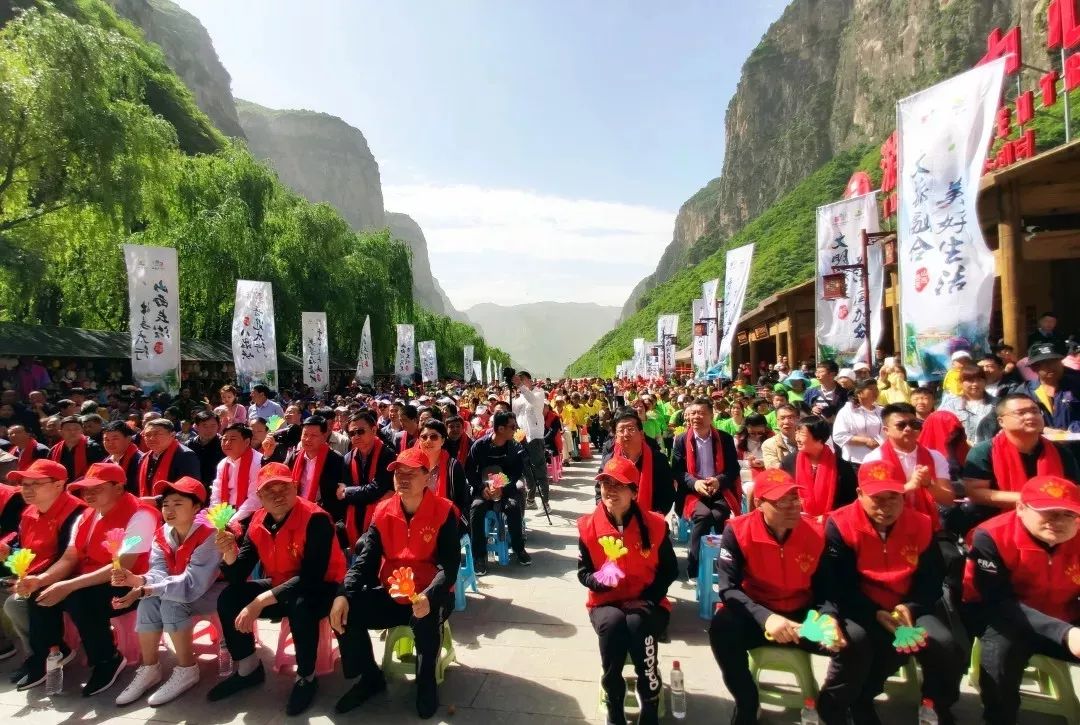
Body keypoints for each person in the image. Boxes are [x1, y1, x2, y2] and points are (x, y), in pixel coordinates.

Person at [819, 461, 963, 724]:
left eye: (893, 497)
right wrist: (875, 613)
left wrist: (911, 607)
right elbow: (839, 585)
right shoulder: (840, 524)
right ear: (860, 494)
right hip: (861, 605)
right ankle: (855, 700)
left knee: (943, 643)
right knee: (863, 641)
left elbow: (931, 579)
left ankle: (936, 704)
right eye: (877, 498)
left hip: (907, 606)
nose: (885, 506)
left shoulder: (920, 523)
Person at [710, 469, 850, 725]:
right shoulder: (738, 532)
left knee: (855, 639)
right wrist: (767, 618)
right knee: (722, 627)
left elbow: (828, 589)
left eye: (795, 499)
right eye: (781, 502)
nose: (791, 507)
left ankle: (833, 706)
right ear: (759, 504)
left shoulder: (816, 533)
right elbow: (728, 589)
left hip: (804, 620)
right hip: (758, 616)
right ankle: (747, 703)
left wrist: (829, 618)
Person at [330, 446, 459, 719]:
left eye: (411, 473)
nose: (403, 478)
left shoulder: (444, 511)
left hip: (428, 595)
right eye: (398, 472)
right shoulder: (383, 510)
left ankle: (425, 681)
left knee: (425, 620)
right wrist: (344, 593)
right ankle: (369, 677)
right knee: (347, 610)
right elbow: (366, 560)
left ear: (428, 476)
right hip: (392, 592)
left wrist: (428, 595)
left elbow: (449, 567)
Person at [208, 462, 346, 715]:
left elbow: (311, 577)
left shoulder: (316, 519)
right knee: (230, 597)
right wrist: (229, 553)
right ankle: (248, 668)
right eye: (269, 491)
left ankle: (306, 676)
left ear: (295, 487)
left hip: (323, 588)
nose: (277, 495)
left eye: (283, 487)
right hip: (281, 584)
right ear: (259, 497)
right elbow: (238, 575)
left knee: (300, 606)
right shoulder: (258, 521)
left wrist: (260, 601)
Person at [21, 462, 157, 695]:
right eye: (85, 489)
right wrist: (42, 579)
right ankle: (51, 652)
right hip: (89, 578)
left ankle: (107, 659)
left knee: (80, 598)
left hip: (130, 583)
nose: (88, 494)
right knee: (38, 592)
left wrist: (68, 585)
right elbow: (69, 558)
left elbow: (123, 565)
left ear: (118, 487)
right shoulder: (85, 515)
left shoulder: (141, 516)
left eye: (97, 488)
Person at [962, 475, 1080, 725]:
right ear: (1021, 508)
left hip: (1065, 612)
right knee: (1000, 658)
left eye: (1066, 514)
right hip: (1007, 618)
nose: (1057, 522)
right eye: (1047, 512)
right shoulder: (991, 536)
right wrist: (1065, 633)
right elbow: (996, 601)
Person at [578, 457, 677, 725]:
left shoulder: (655, 525)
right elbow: (583, 573)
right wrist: (602, 580)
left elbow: (670, 571)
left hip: (648, 601)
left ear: (634, 492)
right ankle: (614, 702)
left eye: (618, 485)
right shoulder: (588, 527)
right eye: (605, 483)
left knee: (637, 624)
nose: (609, 490)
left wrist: (648, 599)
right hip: (605, 603)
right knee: (612, 625)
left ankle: (650, 702)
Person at [111, 476, 224, 706]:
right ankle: (149, 668)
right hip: (179, 587)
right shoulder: (162, 534)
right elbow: (159, 572)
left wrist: (146, 589)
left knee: (171, 603)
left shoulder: (210, 534)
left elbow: (194, 583)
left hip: (215, 591)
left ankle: (187, 668)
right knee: (148, 602)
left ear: (196, 507)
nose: (169, 510)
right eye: (166, 504)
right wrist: (137, 579)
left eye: (178, 504)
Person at [2, 460, 84, 683]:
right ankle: (37, 653)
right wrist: (9, 553)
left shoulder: (77, 512)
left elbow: (70, 558)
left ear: (59, 485)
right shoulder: (29, 511)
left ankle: (49, 653)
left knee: (27, 599)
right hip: (37, 575)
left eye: (35, 484)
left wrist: (35, 578)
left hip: (73, 575)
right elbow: (24, 548)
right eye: (24, 484)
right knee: (10, 598)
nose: (26, 490)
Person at [961, 393, 1080, 532]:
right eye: (1021, 413)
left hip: (1054, 520)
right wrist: (1032, 498)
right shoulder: (984, 451)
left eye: (1035, 411)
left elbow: (1075, 488)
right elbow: (975, 492)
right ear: (1001, 421)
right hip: (999, 522)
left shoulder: (1060, 451)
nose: (1030, 416)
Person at [671, 397, 740, 577]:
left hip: (718, 488)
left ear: (711, 416)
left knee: (720, 515)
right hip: (692, 492)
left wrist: (719, 480)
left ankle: (725, 566)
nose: (696, 417)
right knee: (703, 516)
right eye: (693, 413)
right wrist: (695, 483)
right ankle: (693, 567)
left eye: (701, 413)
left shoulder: (724, 439)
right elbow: (677, 471)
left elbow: (733, 469)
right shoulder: (681, 439)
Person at [863, 403, 954, 527]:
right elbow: (872, 503)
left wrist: (928, 484)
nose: (908, 429)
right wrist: (908, 487)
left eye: (914, 424)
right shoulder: (874, 459)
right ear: (886, 430)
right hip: (889, 526)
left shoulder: (935, 456)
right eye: (901, 425)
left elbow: (948, 500)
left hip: (926, 524)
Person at [466, 411, 531, 574]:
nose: (515, 430)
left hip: (505, 490)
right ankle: (479, 556)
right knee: (476, 508)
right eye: (512, 427)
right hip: (484, 490)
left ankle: (519, 548)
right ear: (500, 428)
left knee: (514, 507)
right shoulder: (480, 446)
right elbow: (469, 470)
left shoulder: (515, 447)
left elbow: (516, 472)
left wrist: (502, 488)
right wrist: (482, 488)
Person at [595, 408, 675, 516]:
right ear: (615, 437)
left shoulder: (658, 460)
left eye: (631, 429)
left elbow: (667, 494)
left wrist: (653, 519)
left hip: (649, 519)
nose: (626, 434)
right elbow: (599, 490)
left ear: (642, 434)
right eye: (621, 430)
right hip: (615, 518)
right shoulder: (610, 460)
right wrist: (607, 513)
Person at [780, 415, 858, 518]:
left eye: (801, 433)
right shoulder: (789, 462)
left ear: (819, 438)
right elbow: (782, 494)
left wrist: (828, 517)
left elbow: (850, 502)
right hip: (796, 521)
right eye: (796, 432)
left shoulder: (842, 467)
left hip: (832, 523)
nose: (797, 438)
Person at [339, 411, 395, 548]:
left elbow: (378, 489)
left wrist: (348, 492)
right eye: (352, 433)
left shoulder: (387, 455)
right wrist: (354, 493)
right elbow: (342, 495)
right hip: (355, 518)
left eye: (360, 431)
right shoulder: (347, 458)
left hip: (382, 519)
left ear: (374, 430)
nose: (356, 436)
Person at [284, 415, 345, 523]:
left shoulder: (335, 460)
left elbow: (337, 496)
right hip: (295, 511)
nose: (307, 439)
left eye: (313, 435)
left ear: (324, 436)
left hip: (322, 516)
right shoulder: (294, 457)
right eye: (305, 434)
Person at [416, 420, 469, 532]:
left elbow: (461, 502)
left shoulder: (453, 467)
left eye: (434, 437)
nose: (428, 441)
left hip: (446, 522)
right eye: (423, 437)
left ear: (443, 440)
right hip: (416, 519)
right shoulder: (412, 465)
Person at [210, 423, 262, 528]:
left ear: (247, 442)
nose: (227, 443)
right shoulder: (223, 463)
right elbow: (217, 492)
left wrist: (233, 520)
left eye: (233, 439)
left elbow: (256, 498)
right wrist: (218, 516)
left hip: (250, 515)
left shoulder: (258, 462)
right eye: (224, 439)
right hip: (225, 514)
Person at [1021, 341, 1080, 432]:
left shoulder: (1076, 384)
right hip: (1042, 443)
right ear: (1034, 368)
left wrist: (1073, 428)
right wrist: (1043, 429)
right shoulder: (1025, 391)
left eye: (1055, 361)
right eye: (1045, 363)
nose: (1052, 366)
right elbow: (1017, 419)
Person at [511, 371, 550, 512]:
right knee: (526, 470)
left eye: (522, 379)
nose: (519, 381)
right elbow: (514, 417)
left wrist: (521, 386)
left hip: (534, 437)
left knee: (539, 469)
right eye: (517, 380)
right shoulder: (517, 398)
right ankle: (531, 499)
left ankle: (545, 502)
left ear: (529, 380)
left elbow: (533, 401)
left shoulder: (539, 392)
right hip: (520, 437)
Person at [135, 419, 200, 501]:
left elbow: (189, 488)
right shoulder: (144, 458)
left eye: (157, 434)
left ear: (172, 435)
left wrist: (157, 501)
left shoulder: (185, 455)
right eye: (147, 435)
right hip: (147, 509)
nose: (151, 438)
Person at [830, 379, 883, 467]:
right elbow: (839, 435)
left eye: (876, 388)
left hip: (879, 458)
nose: (875, 392)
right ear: (859, 393)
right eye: (870, 389)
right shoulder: (847, 411)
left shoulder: (882, 411)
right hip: (856, 461)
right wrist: (866, 441)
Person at [939, 366, 996, 445]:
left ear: (985, 381)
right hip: (962, 453)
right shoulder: (950, 407)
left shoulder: (998, 404)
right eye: (970, 380)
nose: (975, 384)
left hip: (992, 451)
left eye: (979, 380)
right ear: (960, 383)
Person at [49, 415, 106, 482]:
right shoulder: (54, 450)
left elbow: (99, 471)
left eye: (76, 429)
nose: (72, 432)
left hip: (85, 487)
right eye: (68, 429)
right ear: (61, 432)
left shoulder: (93, 447)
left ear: (82, 431)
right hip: (59, 486)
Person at [101, 420, 142, 495]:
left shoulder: (140, 460)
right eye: (106, 439)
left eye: (115, 439)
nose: (110, 443)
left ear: (129, 439)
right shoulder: (105, 462)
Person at [187, 410, 224, 488]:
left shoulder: (224, 445)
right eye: (204, 425)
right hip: (193, 487)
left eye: (213, 426)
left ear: (218, 426)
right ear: (196, 427)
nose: (209, 430)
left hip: (217, 487)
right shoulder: (189, 445)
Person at [760, 404, 797, 470]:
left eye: (790, 418)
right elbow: (772, 468)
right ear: (777, 421)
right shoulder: (769, 444)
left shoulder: (806, 440)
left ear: (797, 419)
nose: (786, 422)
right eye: (782, 418)